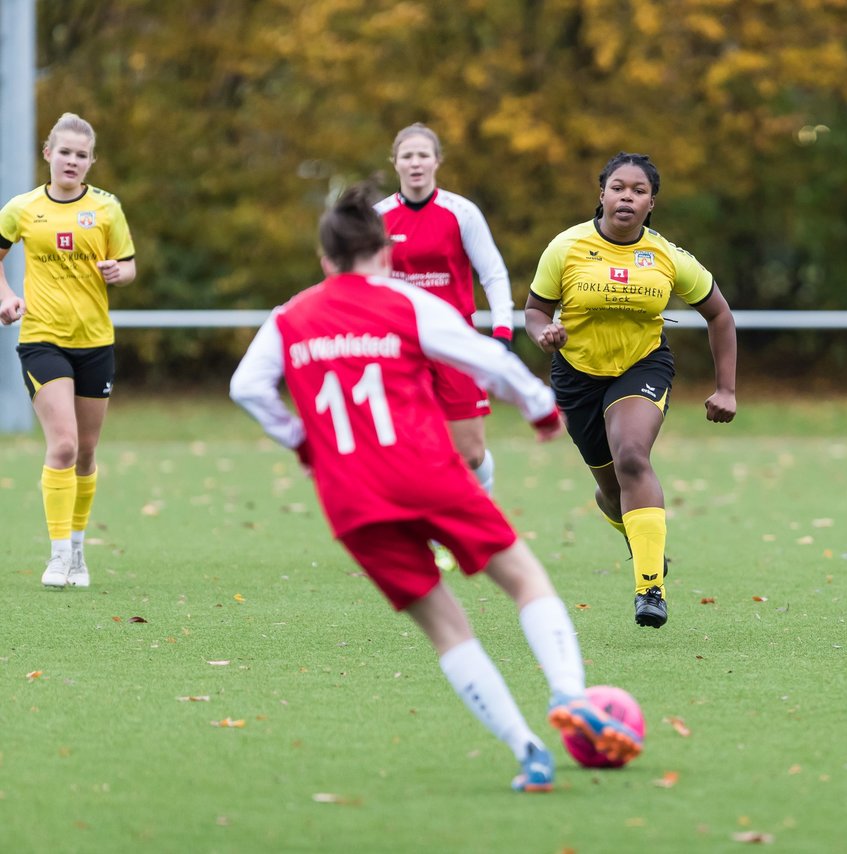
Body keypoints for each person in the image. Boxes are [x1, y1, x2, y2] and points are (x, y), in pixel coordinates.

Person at [230, 181, 641, 792]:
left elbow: (246, 388)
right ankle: (569, 693)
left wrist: (299, 440)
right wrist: (539, 408)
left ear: (324, 261)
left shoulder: (289, 317)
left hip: (350, 498)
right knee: (526, 580)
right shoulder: (406, 304)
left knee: (447, 630)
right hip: (424, 472)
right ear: (386, 253)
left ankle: (527, 750)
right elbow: (489, 361)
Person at [524, 152, 738, 629]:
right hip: (576, 376)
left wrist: (727, 388)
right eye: (618, 187)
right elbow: (535, 310)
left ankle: (649, 589)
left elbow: (720, 313)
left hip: (642, 366)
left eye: (638, 191)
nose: (627, 197)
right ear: (601, 194)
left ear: (651, 204)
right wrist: (544, 334)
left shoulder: (668, 256)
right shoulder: (566, 246)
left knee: (633, 457)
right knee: (610, 489)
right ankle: (646, 543)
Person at [0, 112, 137, 590]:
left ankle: (78, 550)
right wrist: (5, 295)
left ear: (91, 161)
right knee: (62, 444)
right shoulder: (21, 208)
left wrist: (120, 273)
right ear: (48, 154)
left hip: (95, 342)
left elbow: (128, 265)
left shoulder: (107, 209)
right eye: (65, 152)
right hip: (41, 339)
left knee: (87, 451)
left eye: (81, 155)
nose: (72, 161)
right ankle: (58, 555)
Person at [374, 124, 514, 500]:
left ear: (437, 160)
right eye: (407, 156)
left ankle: (481, 499)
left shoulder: (461, 211)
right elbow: (362, 282)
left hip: (456, 344)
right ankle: (430, 535)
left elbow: (493, 274)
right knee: (406, 448)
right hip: (401, 346)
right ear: (395, 163)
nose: (415, 163)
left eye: (423, 155)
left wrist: (502, 333)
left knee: (470, 454)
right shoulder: (378, 217)